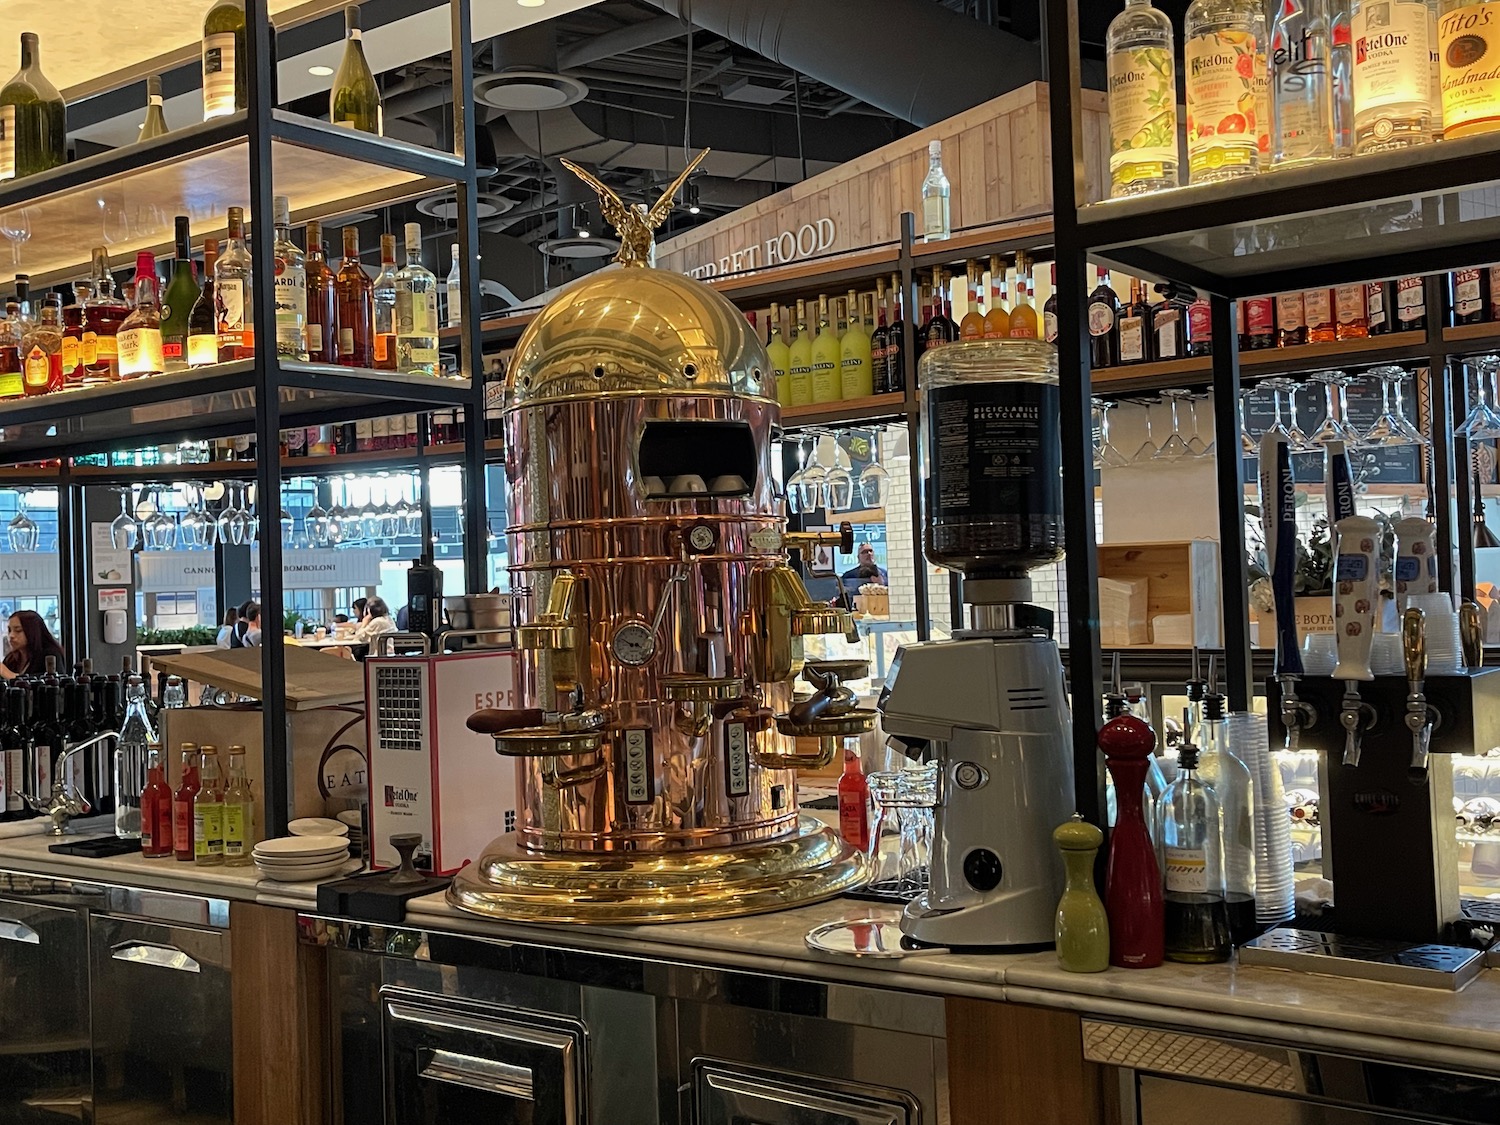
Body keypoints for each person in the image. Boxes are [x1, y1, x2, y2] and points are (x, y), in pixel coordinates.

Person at [1, 610, 66, 679]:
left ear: (32, 631)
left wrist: (10, 675)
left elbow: (54, 680)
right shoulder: (11, 659)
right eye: (9, 630)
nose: (11, 635)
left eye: (18, 630)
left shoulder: (50, 654)